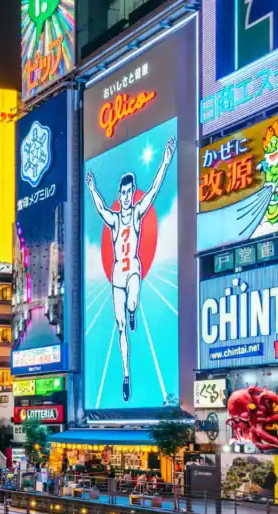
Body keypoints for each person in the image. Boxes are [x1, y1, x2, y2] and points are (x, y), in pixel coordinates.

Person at [85, 136, 175, 402]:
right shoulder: (114, 219)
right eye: (122, 193)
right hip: (117, 277)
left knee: (133, 302)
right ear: (119, 194)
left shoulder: (136, 213)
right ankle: (126, 375)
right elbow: (101, 208)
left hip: (133, 269)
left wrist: (165, 162)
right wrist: (91, 189)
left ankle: (133, 310)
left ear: (132, 191)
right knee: (121, 327)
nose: (126, 197)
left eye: (129, 192)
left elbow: (155, 191)